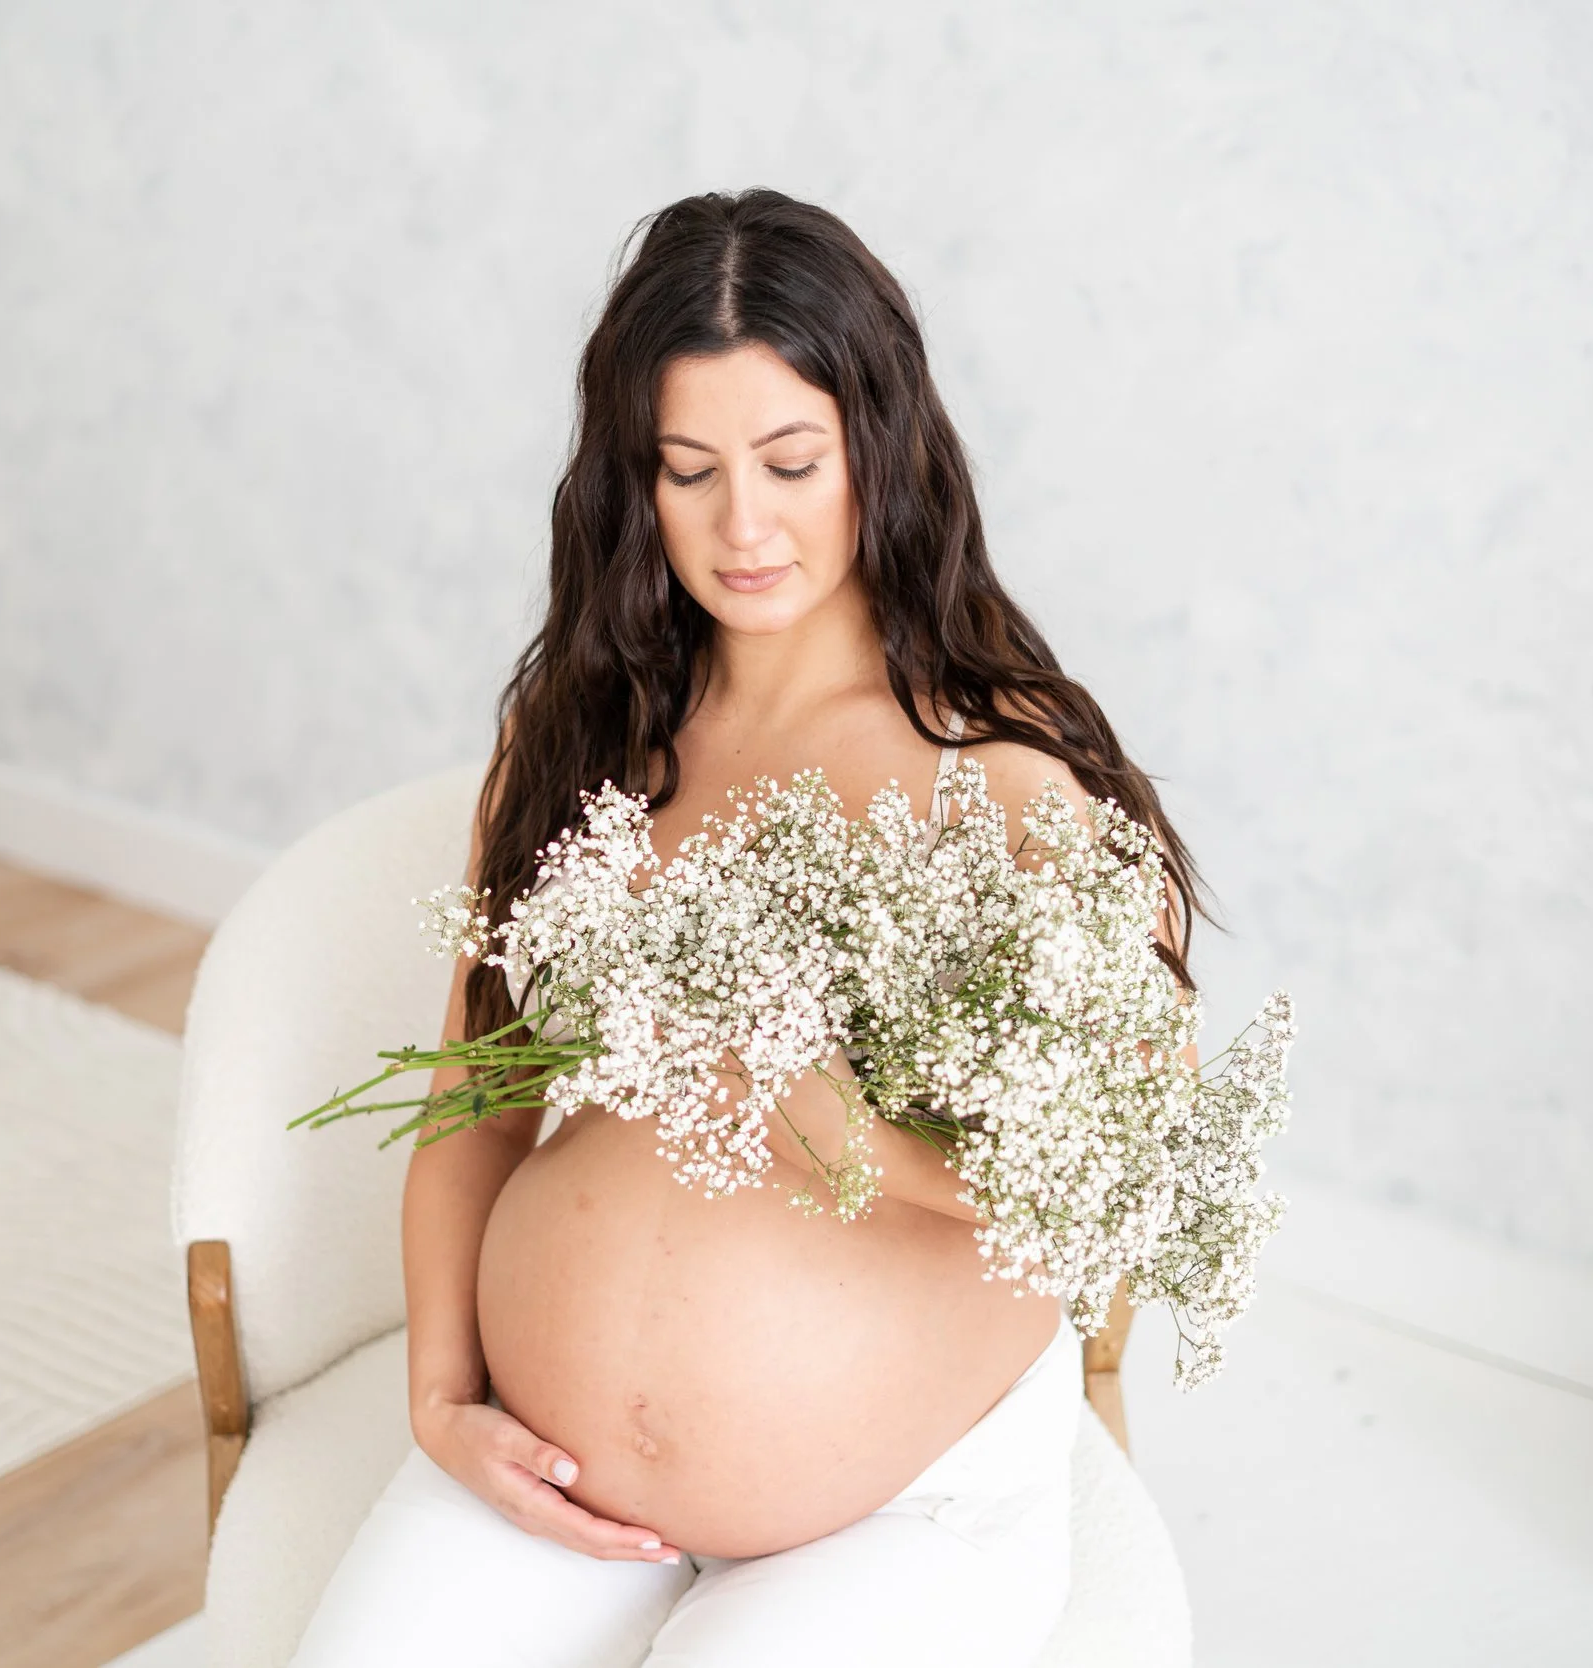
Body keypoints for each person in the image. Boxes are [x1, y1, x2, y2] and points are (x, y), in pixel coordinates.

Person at [287, 188, 1211, 1668]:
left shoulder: (1004, 776)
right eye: (689, 470)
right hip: (558, 1458)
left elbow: (1125, 1165)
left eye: (792, 461)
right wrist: (443, 1394)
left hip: (895, 1507)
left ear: (880, 452)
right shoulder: (583, 733)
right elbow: (480, 1091)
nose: (744, 526)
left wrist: (873, 1157)